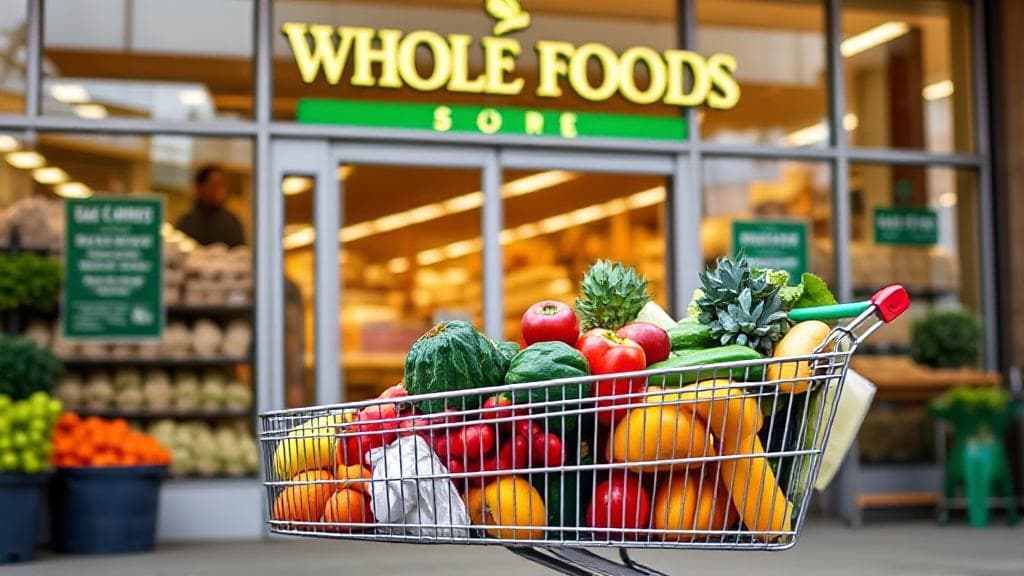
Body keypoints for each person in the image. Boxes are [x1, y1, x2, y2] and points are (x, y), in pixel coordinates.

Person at [175, 164, 246, 247]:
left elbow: (240, 253)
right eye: (214, 185)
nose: (219, 191)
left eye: (222, 185)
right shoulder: (186, 222)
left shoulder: (232, 223)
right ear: (200, 188)